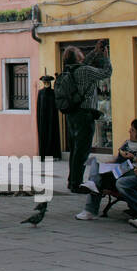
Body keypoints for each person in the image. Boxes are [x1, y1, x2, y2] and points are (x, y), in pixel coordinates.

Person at [56, 40, 112, 191]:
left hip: (72, 114)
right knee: (82, 151)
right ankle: (76, 184)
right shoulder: (85, 71)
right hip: (84, 115)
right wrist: (105, 57)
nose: (83, 54)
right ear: (78, 57)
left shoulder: (69, 70)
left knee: (75, 149)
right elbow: (107, 73)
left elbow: (85, 62)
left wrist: (95, 51)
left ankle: (72, 180)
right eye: (80, 53)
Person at [76, 118, 137, 220]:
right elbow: (117, 159)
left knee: (99, 180)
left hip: (131, 174)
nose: (129, 131)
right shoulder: (126, 143)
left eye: (133, 130)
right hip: (115, 172)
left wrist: (134, 158)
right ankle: (92, 186)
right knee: (95, 162)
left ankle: (90, 208)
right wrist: (108, 164)